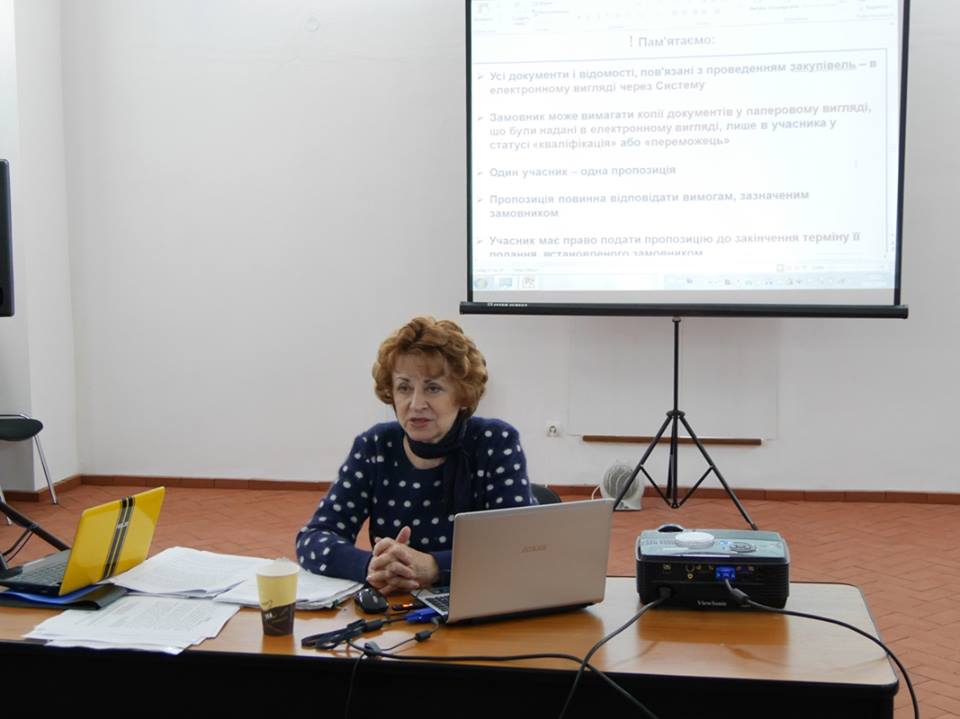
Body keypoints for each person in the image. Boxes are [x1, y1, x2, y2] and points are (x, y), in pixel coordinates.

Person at [296, 317, 535, 595]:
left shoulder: (495, 442)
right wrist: (371, 565)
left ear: (462, 394)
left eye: (433, 388)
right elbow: (313, 538)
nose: (416, 404)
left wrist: (435, 566)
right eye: (404, 387)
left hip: (478, 601)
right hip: (395, 607)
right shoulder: (375, 446)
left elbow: (518, 546)